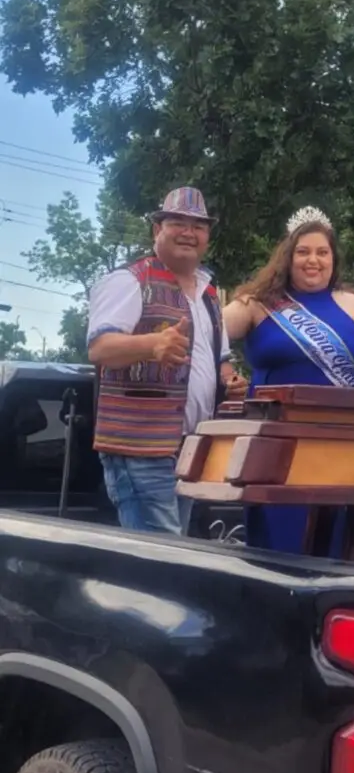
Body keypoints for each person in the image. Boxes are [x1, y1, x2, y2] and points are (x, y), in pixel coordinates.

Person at [223, 206, 354, 556]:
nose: (313, 260)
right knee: (282, 550)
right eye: (303, 251)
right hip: (278, 452)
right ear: (287, 257)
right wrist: (224, 373)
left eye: (322, 252)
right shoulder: (257, 304)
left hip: (345, 448)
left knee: (347, 547)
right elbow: (205, 334)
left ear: (333, 259)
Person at [87, 187, 247, 535]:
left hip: (189, 448)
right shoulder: (129, 280)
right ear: (157, 229)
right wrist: (152, 344)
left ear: (207, 236)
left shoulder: (209, 294)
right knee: (161, 563)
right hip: (141, 450)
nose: (189, 232)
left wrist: (231, 381)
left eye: (199, 226)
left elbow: (221, 361)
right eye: (178, 222)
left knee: (169, 560)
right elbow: (100, 348)